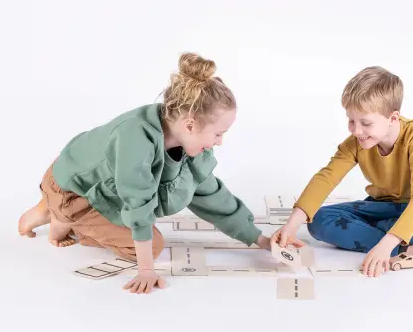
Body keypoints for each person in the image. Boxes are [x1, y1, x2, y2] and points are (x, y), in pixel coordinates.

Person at [18, 52, 280, 293]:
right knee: (151, 246)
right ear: (190, 125)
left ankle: (52, 207)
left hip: (89, 181)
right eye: (218, 134)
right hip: (72, 190)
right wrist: (146, 269)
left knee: (145, 225)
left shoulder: (185, 140)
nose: (220, 142)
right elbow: (138, 204)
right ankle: (60, 214)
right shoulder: (136, 138)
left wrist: (260, 239)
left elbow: (210, 193)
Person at [271, 66, 413, 277]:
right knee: (318, 220)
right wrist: (291, 225)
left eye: (366, 123)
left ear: (393, 118)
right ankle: (407, 247)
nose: (356, 130)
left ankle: (389, 238)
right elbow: (326, 178)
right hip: (380, 207)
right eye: (351, 120)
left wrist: (386, 245)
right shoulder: (356, 142)